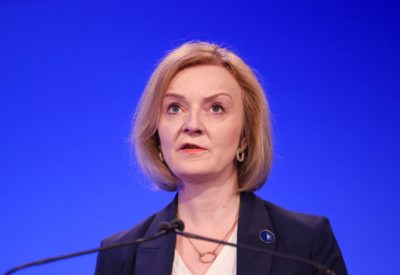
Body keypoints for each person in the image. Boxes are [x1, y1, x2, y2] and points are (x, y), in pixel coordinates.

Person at [95, 41, 347, 275]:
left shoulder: (306, 244)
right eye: (175, 108)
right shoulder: (120, 256)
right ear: (156, 134)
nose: (192, 125)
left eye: (216, 108)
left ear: (245, 136)